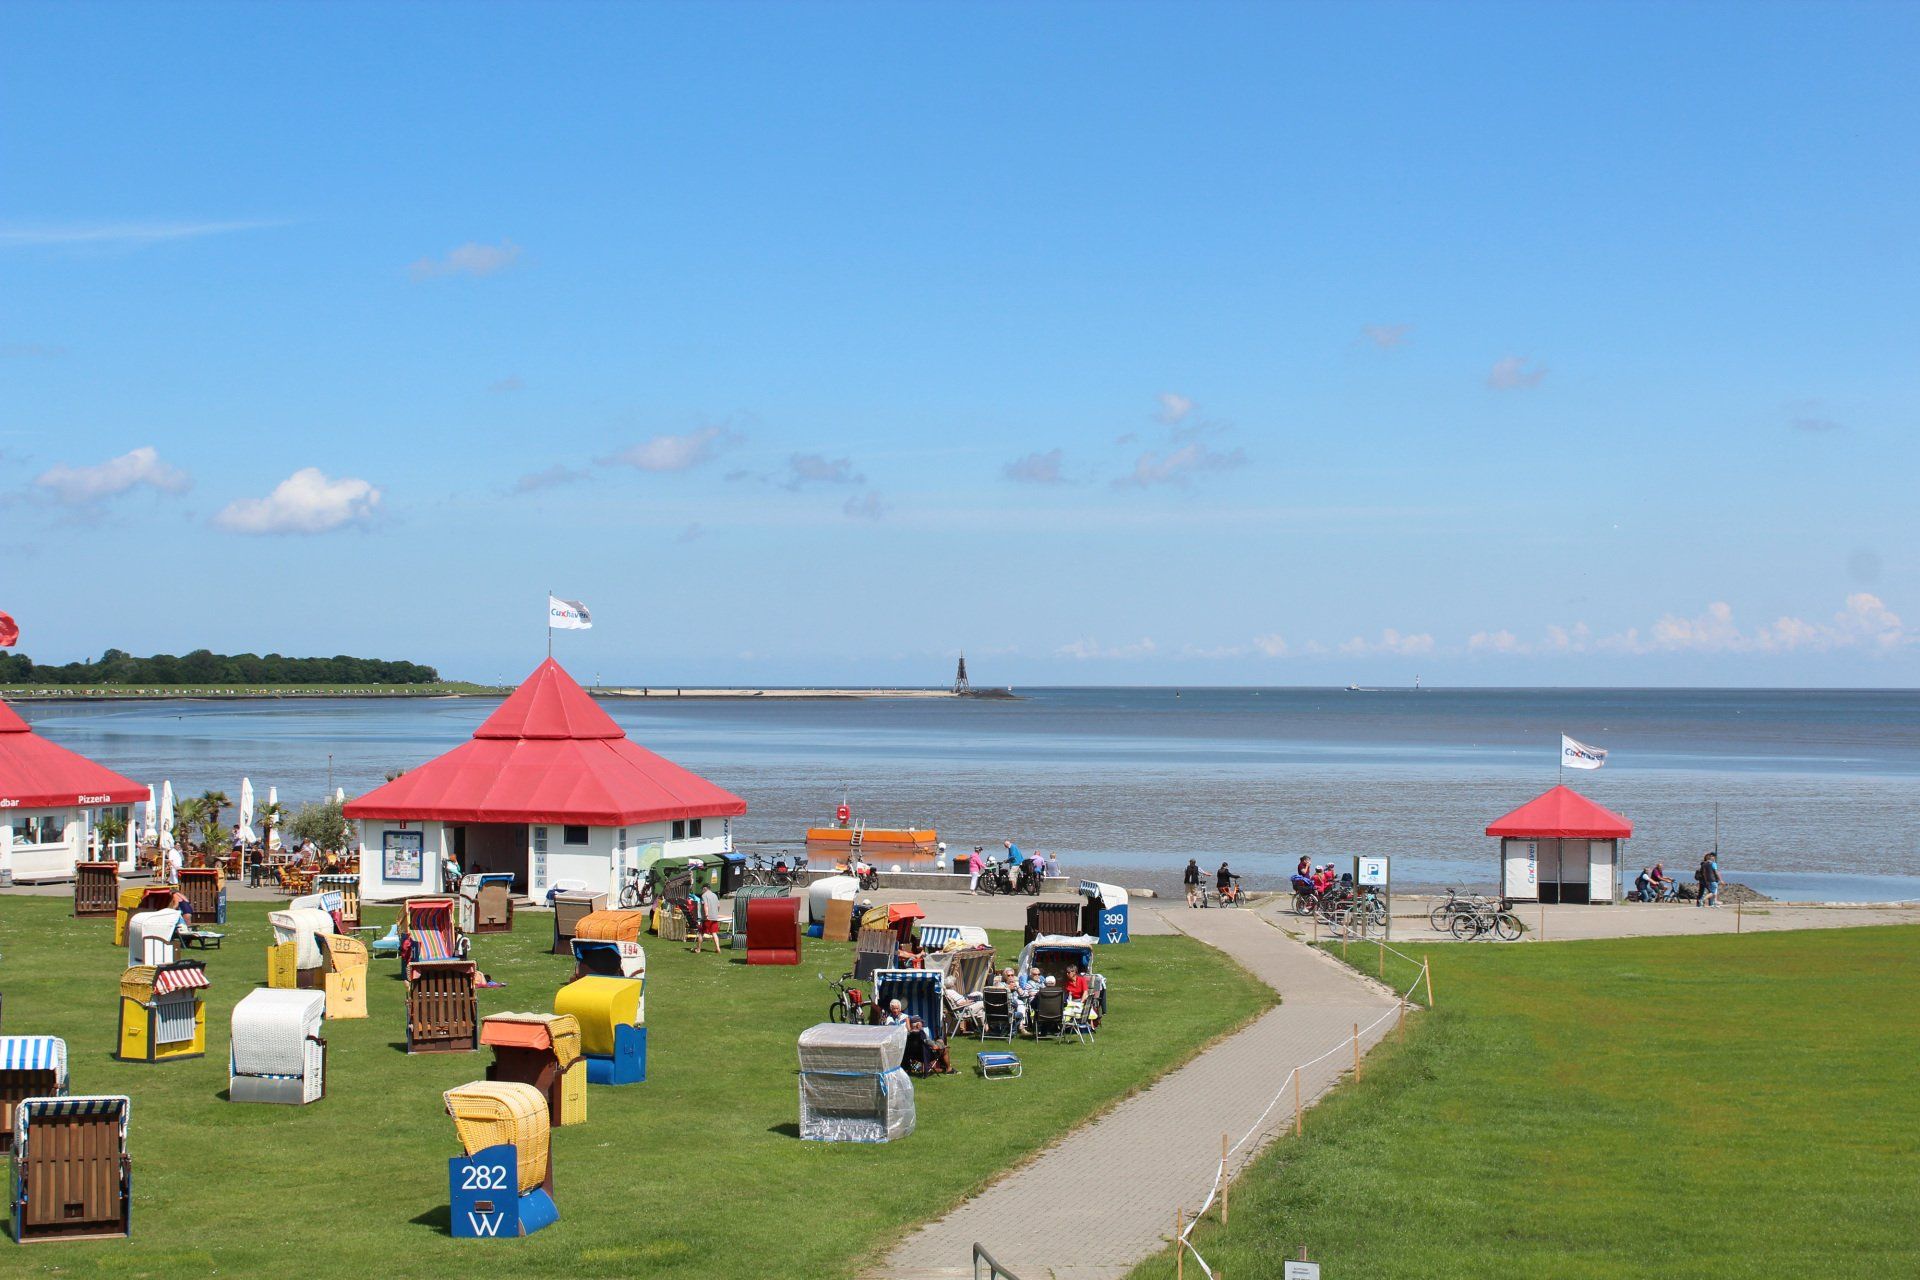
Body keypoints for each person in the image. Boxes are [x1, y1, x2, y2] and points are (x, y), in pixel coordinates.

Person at [693, 884, 723, 953]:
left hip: (707, 918)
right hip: (714, 917)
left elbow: (705, 905)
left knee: (701, 933)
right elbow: (718, 906)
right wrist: (716, 913)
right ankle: (718, 948)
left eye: (702, 889)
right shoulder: (715, 895)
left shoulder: (704, 895)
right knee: (714, 933)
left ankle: (698, 949)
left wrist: (706, 914)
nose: (702, 891)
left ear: (705, 888)